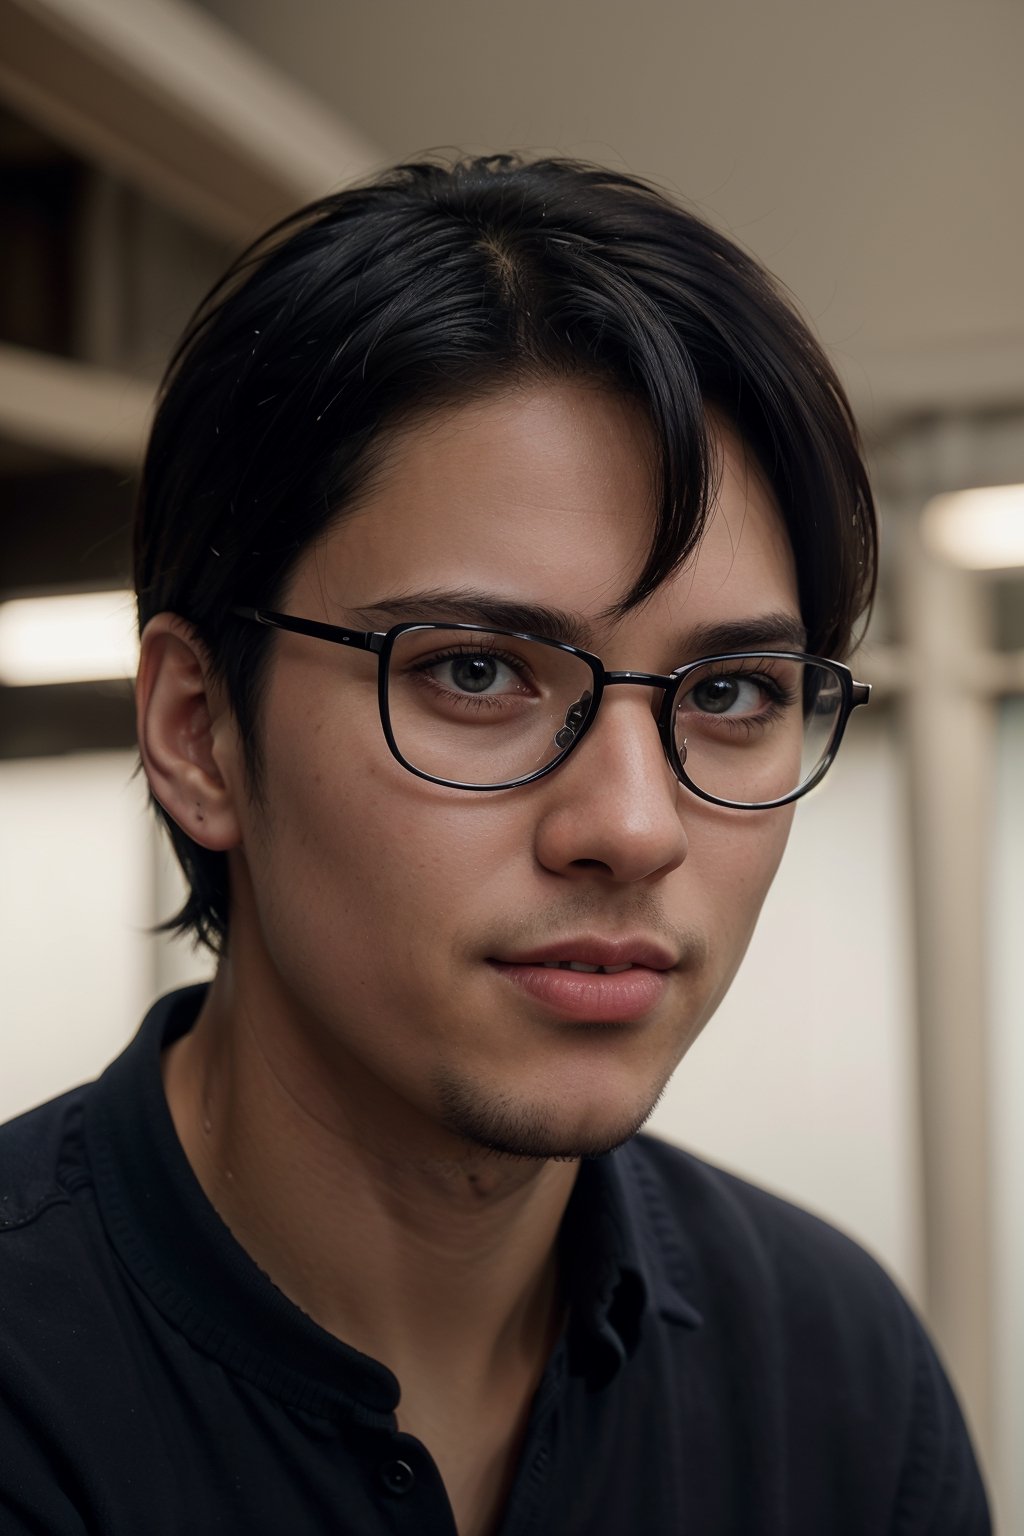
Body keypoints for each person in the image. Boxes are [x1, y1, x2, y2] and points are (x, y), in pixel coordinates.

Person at [0, 155, 989, 1535]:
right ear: (198, 730)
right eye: (475, 673)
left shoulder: (835, 1378)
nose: (634, 828)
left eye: (727, 695)